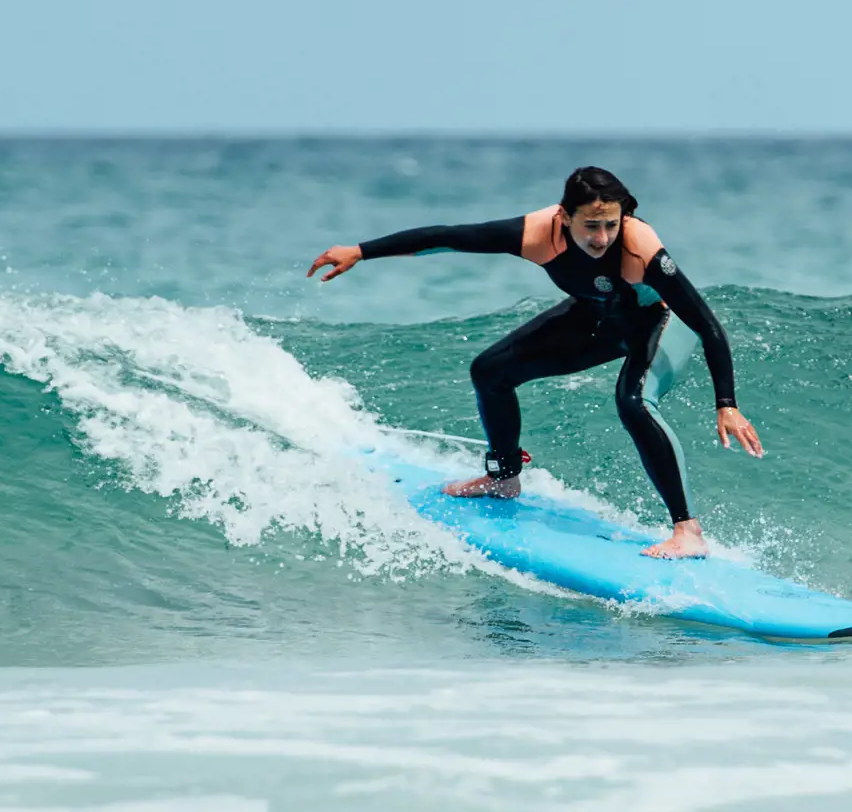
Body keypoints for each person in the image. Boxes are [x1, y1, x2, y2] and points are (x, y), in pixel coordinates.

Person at [306, 166, 762, 559]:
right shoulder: (536, 234)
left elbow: (706, 322)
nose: (602, 238)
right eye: (590, 226)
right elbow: (448, 238)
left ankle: (688, 531)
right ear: (565, 217)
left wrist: (726, 401)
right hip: (598, 317)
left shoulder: (640, 247)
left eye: (610, 224)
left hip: (659, 322)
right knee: (489, 371)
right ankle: (504, 478)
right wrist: (361, 251)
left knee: (633, 400)